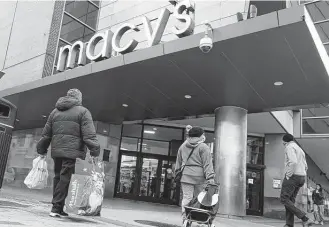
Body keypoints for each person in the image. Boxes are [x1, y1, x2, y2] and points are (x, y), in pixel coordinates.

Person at [37, 88, 100, 218]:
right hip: (73, 152)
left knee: (59, 178)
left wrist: (41, 150)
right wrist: (95, 151)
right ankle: (56, 208)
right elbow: (89, 135)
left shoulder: (54, 112)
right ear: (79, 99)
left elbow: (46, 134)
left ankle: (58, 208)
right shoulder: (83, 112)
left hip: (57, 152)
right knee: (65, 179)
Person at [175, 126, 215, 227]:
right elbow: (207, 164)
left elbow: (178, 161)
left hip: (186, 176)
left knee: (187, 198)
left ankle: (185, 219)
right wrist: (210, 177)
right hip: (200, 177)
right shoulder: (203, 147)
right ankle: (202, 222)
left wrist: (177, 172)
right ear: (201, 136)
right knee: (201, 200)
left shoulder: (183, 146)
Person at [280, 133, 314, 227]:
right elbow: (306, 165)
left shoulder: (289, 147)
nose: (282, 143)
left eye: (282, 141)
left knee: (284, 199)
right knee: (290, 200)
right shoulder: (299, 148)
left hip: (293, 177)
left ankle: (305, 218)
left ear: (285, 141)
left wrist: (288, 174)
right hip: (301, 177)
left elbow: (293, 161)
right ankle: (289, 224)